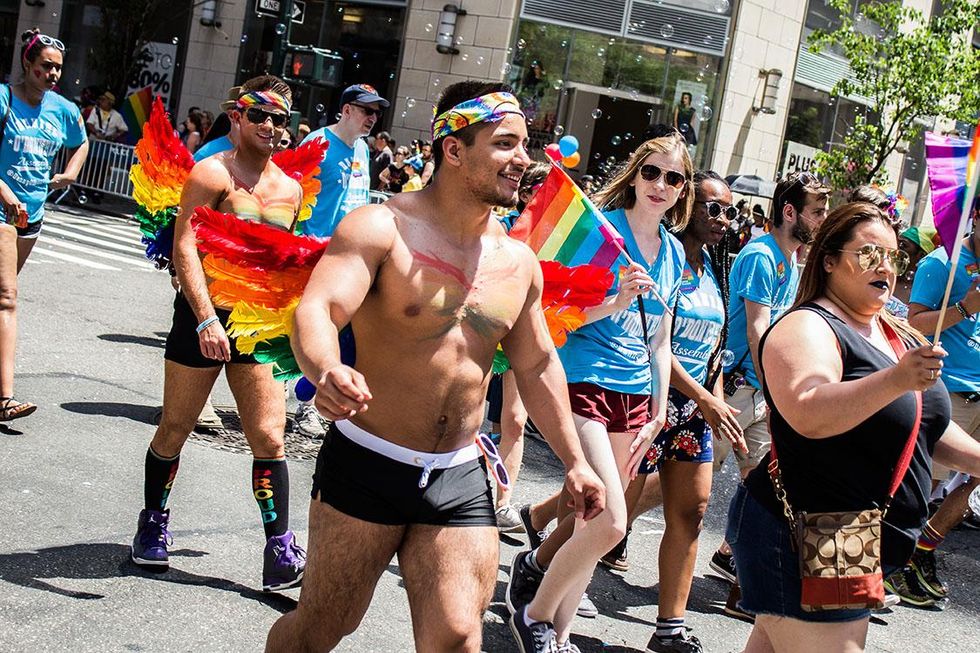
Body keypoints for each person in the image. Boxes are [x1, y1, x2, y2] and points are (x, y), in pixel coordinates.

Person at [264, 80, 605, 653]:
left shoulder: (518, 262)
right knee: (323, 627)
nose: (524, 159)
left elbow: (539, 362)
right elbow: (319, 308)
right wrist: (325, 370)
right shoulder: (380, 228)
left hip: (460, 472)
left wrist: (576, 461)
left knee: (455, 636)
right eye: (505, 144)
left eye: (525, 144)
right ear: (453, 148)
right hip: (369, 461)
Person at [728, 201, 980, 653]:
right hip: (807, 529)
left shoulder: (895, 332)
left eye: (892, 256)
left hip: (850, 536)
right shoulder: (806, 326)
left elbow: (924, 429)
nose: (885, 265)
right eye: (868, 254)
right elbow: (808, 411)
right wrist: (896, 378)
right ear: (828, 260)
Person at [506, 133, 691, 652]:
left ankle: (559, 635)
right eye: (651, 173)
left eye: (672, 178)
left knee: (589, 519)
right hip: (584, 381)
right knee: (611, 522)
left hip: (635, 399)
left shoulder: (674, 253)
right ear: (634, 176)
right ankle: (534, 612)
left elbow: (661, 339)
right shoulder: (600, 235)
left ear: (682, 190)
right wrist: (614, 300)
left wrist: (658, 411)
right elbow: (555, 317)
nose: (659, 185)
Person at [129, 76, 307, 593]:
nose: (273, 127)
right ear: (239, 118)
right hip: (202, 317)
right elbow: (184, 248)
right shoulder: (211, 174)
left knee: (270, 437)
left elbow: (280, 263)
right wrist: (205, 317)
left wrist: (291, 324)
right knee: (176, 427)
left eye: (281, 119)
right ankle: (153, 523)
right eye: (263, 116)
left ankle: (279, 549)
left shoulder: (290, 190)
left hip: (256, 328)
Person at [608, 171, 747, 652]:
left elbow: (713, 348)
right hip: (647, 401)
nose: (723, 219)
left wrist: (717, 398)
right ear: (688, 206)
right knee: (609, 513)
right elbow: (656, 345)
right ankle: (540, 566)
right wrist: (704, 398)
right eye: (713, 207)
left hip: (694, 413)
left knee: (691, 513)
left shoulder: (715, 268)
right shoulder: (664, 259)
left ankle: (669, 627)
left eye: (730, 210)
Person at [710, 171, 829, 597]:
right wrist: (778, 388)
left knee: (764, 483)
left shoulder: (794, 259)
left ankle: (736, 562)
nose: (823, 219)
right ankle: (609, 526)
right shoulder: (761, 255)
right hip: (736, 386)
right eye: (817, 211)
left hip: (760, 392)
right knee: (683, 482)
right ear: (789, 211)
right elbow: (757, 331)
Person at [892, 202, 980, 607]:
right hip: (950, 391)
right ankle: (887, 562)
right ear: (976, 219)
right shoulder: (941, 263)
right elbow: (913, 324)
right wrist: (966, 307)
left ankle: (920, 551)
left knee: (973, 480)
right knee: (920, 484)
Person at [0, 28, 88, 422]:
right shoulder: (4, 99)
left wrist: (69, 173)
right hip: (3, 209)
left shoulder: (62, 109)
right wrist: (7, 196)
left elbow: (81, 141)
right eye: (45, 67)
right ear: (27, 64)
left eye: (57, 69)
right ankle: (4, 397)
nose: (52, 74)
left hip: (33, 215)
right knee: (7, 297)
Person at [294, 83, 390, 437]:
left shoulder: (363, 149)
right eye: (366, 110)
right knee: (317, 330)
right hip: (314, 252)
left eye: (376, 112)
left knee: (346, 332)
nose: (372, 118)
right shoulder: (317, 144)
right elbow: (294, 193)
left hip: (353, 255)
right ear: (346, 110)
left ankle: (314, 400)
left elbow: (361, 198)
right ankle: (304, 404)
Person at [489, 160, 550, 533]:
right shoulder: (504, 229)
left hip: (525, 336)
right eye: (543, 188)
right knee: (466, 414)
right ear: (526, 193)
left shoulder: (559, 236)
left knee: (515, 420)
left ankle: (501, 502)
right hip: (488, 331)